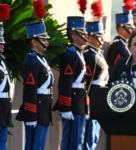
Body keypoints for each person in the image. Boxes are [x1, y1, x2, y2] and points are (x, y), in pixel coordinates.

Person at [16, 2, 54, 149]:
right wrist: (31, 114)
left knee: (40, 145)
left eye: (46, 39)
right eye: (43, 40)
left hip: (44, 107)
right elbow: (29, 88)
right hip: (35, 109)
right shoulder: (32, 60)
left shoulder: (42, 58)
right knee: (33, 146)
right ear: (33, 41)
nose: (46, 42)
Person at [58, 16, 88, 150]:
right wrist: (65, 107)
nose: (86, 35)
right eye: (83, 33)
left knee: (78, 140)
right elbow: (65, 83)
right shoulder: (71, 54)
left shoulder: (79, 53)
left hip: (80, 101)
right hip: (73, 102)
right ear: (74, 37)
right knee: (71, 140)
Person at [83, 20, 109, 150]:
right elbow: (87, 83)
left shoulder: (97, 53)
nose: (102, 39)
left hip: (98, 98)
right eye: (99, 36)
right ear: (90, 38)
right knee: (89, 137)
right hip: (92, 98)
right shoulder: (89, 55)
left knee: (94, 136)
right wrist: (87, 106)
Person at [0, 4, 11, 150]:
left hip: (4, 106)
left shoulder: (3, 61)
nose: (2, 45)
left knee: (3, 144)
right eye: (0, 42)